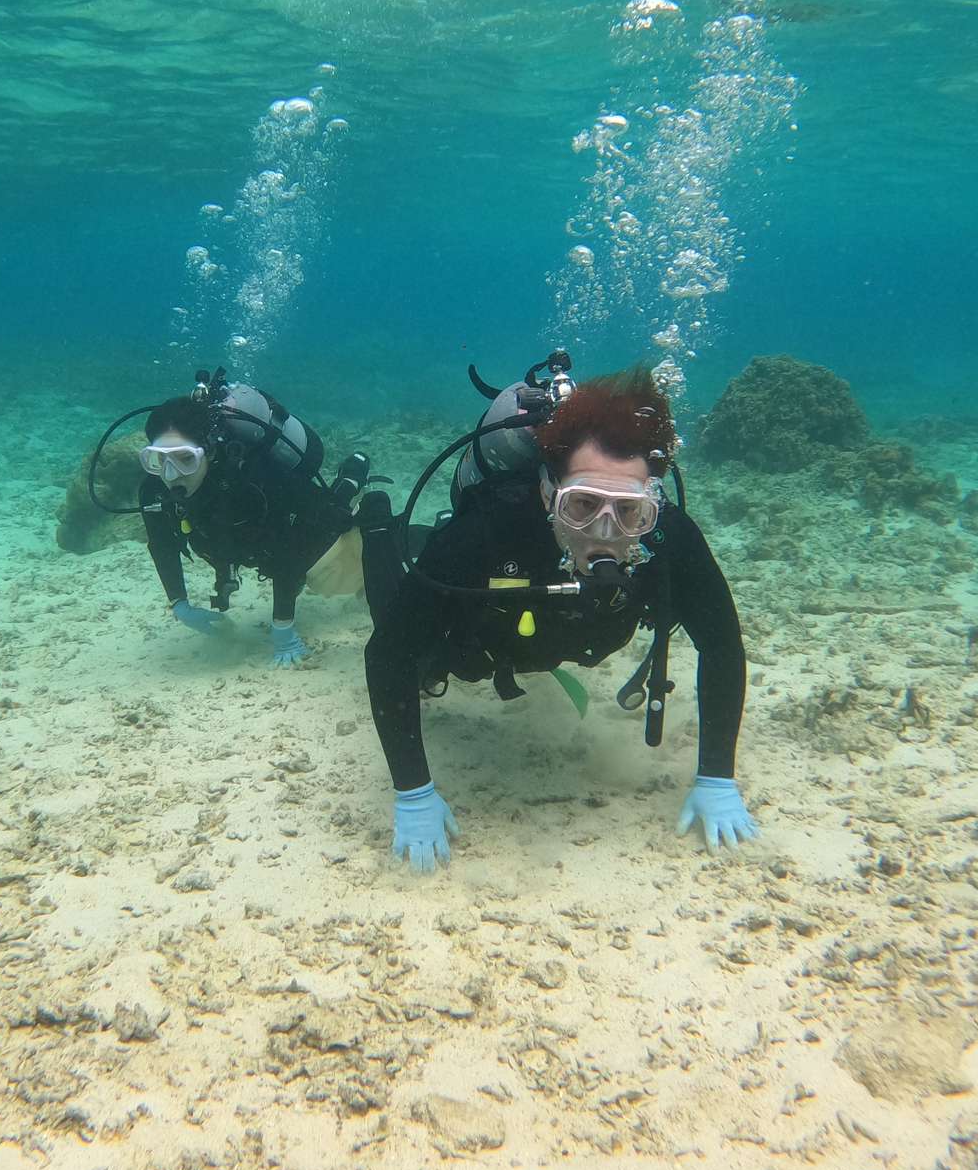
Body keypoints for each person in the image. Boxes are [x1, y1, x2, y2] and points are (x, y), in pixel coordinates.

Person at [362, 363, 754, 870]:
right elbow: (388, 654)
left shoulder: (667, 539)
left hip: (549, 630)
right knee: (411, 642)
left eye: (630, 511)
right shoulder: (488, 530)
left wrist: (717, 777)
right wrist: (413, 792)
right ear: (549, 494)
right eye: (583, 505)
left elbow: (721, 643)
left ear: (651, 505)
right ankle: (377, 528)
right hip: (472, 640)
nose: (606, 532)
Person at [136, 373, 369, 668]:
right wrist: (180, 604)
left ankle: (349, 482)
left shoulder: (250, 483)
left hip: (300, 520)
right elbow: (161, 544)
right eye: (157, 460)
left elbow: (289, 554)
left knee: (338, 573)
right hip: (254, 545)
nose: (171, 475)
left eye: (185, 459)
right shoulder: (154, 488)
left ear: (208, 450)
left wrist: (282, 628)